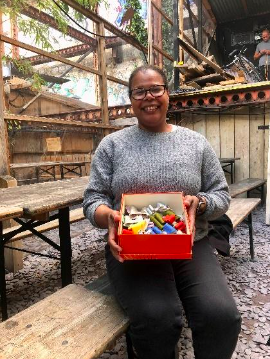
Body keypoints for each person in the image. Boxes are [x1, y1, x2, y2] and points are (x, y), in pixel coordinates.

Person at [83, 65, 241, 359]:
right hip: (133, 246)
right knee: (159, 319)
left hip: (191, 243)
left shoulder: (195, 143)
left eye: (156, 88)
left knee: (221, 315)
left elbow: (221, 194)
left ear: (168, 94)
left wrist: (201, 204)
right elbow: (92, 199)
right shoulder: (112, 145)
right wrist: (110, 217)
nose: (149, 97)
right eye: (139, 91)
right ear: (131, 99)